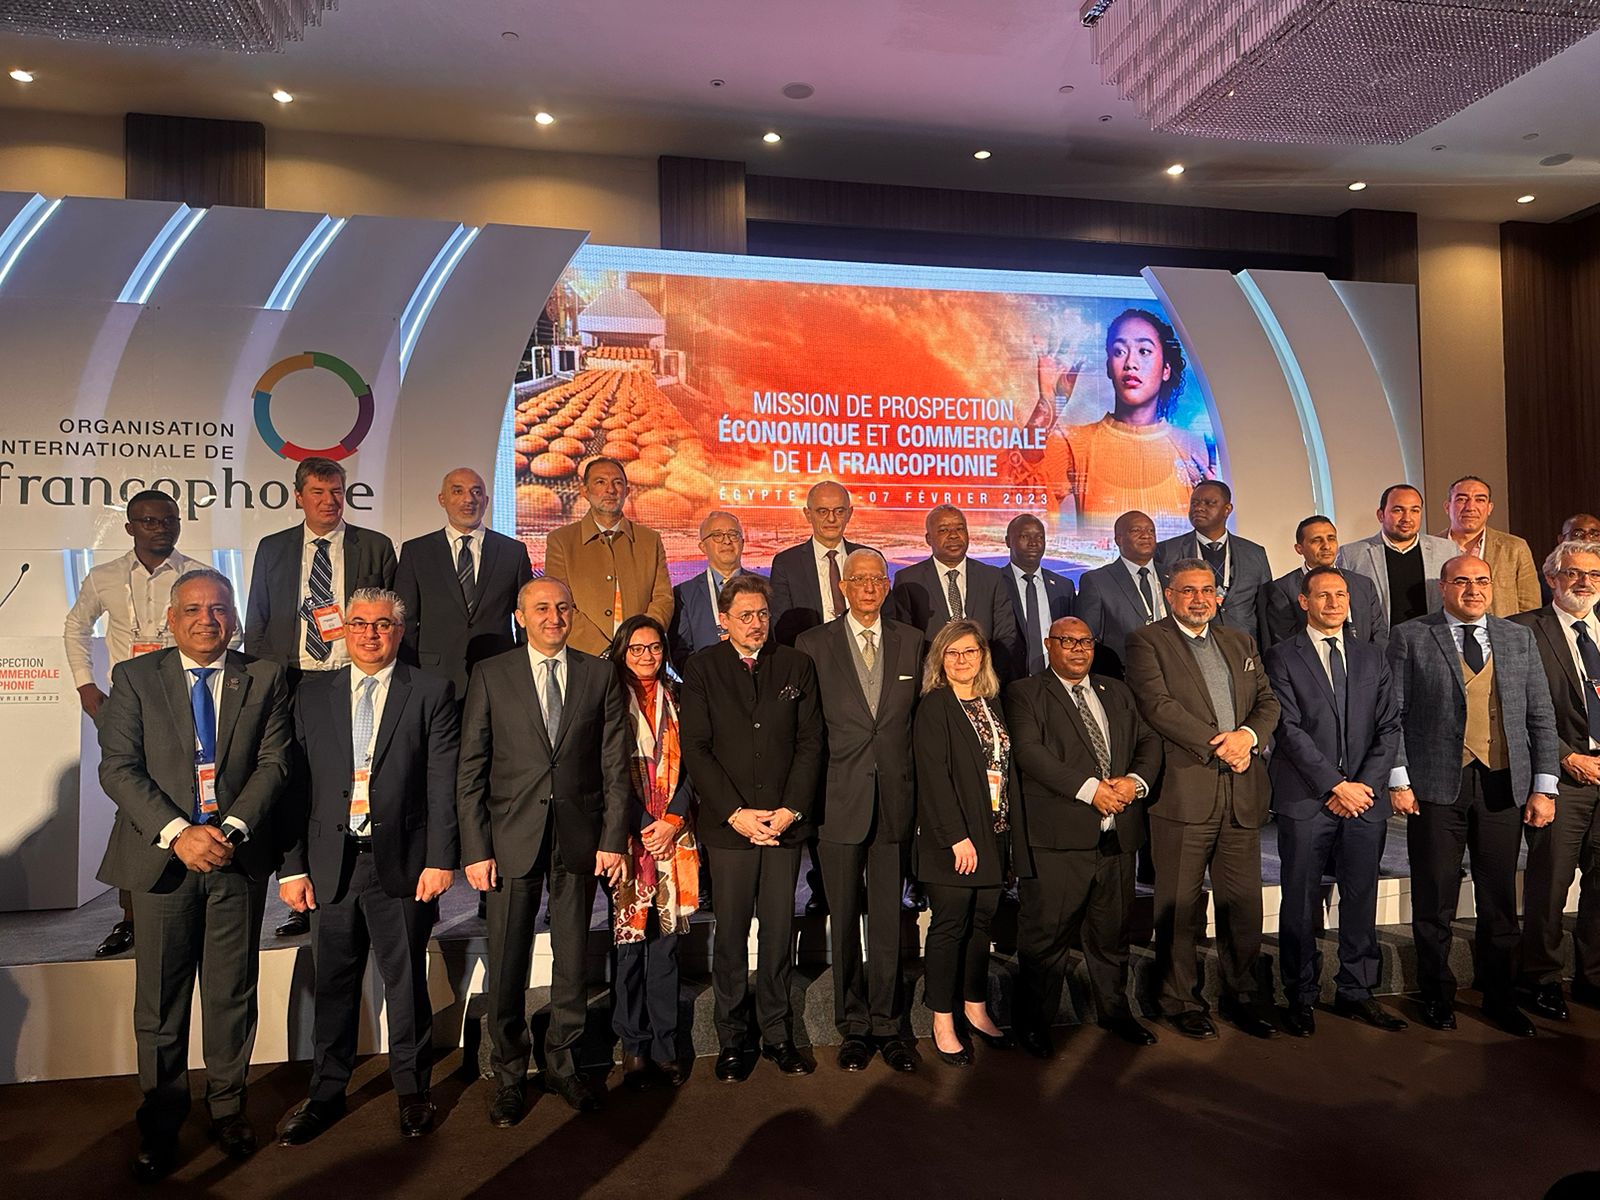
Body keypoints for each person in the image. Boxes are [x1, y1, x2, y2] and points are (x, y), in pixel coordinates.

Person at [96, 569, 292, 1182]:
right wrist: (180, 834)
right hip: (163, 862)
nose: (208, 620)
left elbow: (274, 762)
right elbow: (118, 768)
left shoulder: (263, 676)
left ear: (234, 617)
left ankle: (228, 1110)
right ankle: (160, 1122)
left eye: (219, 609)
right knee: (161, 1001)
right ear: (171, 619)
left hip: (234, 857)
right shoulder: (134, 677)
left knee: (232, 994)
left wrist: (227, 831)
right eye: (194, 610)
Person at [275, 588, 458, 1144]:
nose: (370, 634)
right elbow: (293, 787)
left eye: (382, 624)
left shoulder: (430, 691)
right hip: (330, 865)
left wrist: (440, 859)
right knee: (332, 982)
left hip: (401, 864)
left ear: (399, 632)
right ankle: (325, 1093)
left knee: (406, 984)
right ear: (344, 629)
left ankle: (412, 1091)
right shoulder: (310, 694)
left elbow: (442, 784)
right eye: (359, 623)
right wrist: (292, 867)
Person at [456, 578, 632, 1124]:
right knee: (508, 961)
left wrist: (612, 838)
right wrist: (476, 848)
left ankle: (563, 1063)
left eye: (562, 607)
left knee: (573, 960)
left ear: (573, 612)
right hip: (510, 841)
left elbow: (615, 765)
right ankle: (509, 1073)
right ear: (520, 615)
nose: (553, 617)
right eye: (541, 608)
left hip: (579, 840)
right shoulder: (492, 674)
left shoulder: (599, 673)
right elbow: (471, 768)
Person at [1387, 555, 1558, 1036]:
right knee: (1435, 896)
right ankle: (1436, 995)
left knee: (1499, 900)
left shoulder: (1517, 638)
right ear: (1442, 587)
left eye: (1481, 580)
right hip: (1436, 786)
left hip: (1503, 784)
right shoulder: (1411, 636)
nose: (1473, 589)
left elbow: (1540, 716)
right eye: (1461, 581)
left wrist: (1544, 787)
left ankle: (1500, 997)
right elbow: (1393, 714)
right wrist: (1398, 779)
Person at [1125, 558, 1280, 1039]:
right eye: (1188, 590)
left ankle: (1243, 997)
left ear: (1218, 596)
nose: (1199, 599)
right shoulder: (1147, 641)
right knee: (1179, 906)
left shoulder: (1240, 641)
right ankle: (1180, 1000)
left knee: (1243, 906)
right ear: (1169, 595)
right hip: (1184, 794)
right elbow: (1158, 707)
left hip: (1241, 792)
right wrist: (1221, 745)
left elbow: (1268, 702)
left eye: (1207, 590)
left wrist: (1248, 737)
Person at [244, 455, 397, 937]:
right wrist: (261, 683)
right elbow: (257, 619)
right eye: (318, 492)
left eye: (337, 492)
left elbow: (393, 619)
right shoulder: (273, 548)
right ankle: (300, 889)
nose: (329, 501)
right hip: (293, 679)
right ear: (298, 497)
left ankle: (357, 887)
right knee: (298, 783)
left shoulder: (374, 545)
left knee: (350, 780)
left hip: (352, 679)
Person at [680, 574, 824, 1081]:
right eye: (745, 616)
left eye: (762, 614)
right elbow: (696, 749)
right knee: (732, 935)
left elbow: (811, 743)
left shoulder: (796, 665)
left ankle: (778, 1035)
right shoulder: (702, 668)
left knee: (780, 932)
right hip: (730, 829)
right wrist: (735, 813)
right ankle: (732, 1039)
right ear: (723, 620)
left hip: (784, 825)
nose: (756, 623)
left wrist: (791, 809)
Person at [64, 488, 208, 959]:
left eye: (169, 520)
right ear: (129, 528)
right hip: (126, 704)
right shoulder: (105, 576)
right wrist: (85, 684)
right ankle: (130, 916)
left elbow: (227, 631)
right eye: (149, 521)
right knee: (131, 805)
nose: (161, 528)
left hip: (184, 702)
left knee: (184, 795)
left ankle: (188, 900)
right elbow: (76, 626)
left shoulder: (198, 576)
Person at [1006, 617, 1161, 1055]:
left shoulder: (1117, 692)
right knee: (1046, 940)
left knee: (1111, 936)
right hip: (1057, 841)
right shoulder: (1024, 693)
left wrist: (1134, 782)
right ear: (1048, 644)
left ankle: (1116, 1013)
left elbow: (1149, 741)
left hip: (1116, 837)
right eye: (1067, 641)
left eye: (1085, 642)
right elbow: (1030, 753)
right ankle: (1034, 1024)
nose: (1078, 649)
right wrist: (1091, 790)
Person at [1263, 567, 1406, 1037]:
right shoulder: (1281, 656)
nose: (1334, 603)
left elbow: (1389, 726)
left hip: (1364, 800)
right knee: (1300, 900)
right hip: (1308, 799)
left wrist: (1362, 785)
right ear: (1304, 602)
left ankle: (1357, 991)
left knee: (1361, 898)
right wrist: (1334, 785)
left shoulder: (1372, 656)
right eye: (1323, 595)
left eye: (1341, 595)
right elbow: (1287, 730)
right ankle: (1300, 995)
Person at [795, 549, 921, 1073]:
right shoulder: (812, 644)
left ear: (887, 586)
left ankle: (888, 1024)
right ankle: (853, 1026)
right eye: (858, 579)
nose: (868, 587)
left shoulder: (913, 642)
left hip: (894, 800)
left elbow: (918, 726)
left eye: (877, 579)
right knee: (843, 917)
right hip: (837, 801)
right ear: (842, 587)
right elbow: (805, 731)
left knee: (889, 920)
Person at [913, 620, 1032, 1067]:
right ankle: (942, 1020)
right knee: (950, 926)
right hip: (953, 840)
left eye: (970, 651)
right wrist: (956, 837)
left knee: (981, 924)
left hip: (993, 834)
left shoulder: (992, 703)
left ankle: (975, 1007)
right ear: (940, 660)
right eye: (953, 652)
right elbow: (933, 778)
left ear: (983, 655)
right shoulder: (934, 706)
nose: (962, 660)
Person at [605, 615, 700, 1090]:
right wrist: (644, 825)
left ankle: (665, 1045)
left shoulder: (679, 698)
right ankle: (633, 1045)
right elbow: (605, 772)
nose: (647, 656)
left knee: (665, 948)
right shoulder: (607, 701)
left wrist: (673, 819)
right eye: (637, 648)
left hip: (674, 838)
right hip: (627, 839)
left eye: (655, 648)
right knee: (629, 947)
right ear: (622, 652)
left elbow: (697, 763)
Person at [1510, 540, 1600, 1019]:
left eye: (1594, 574)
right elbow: (1517, 710)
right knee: (1550, 885)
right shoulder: (1523, 630)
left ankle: (1593, 978)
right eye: (1573, 573)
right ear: (1551, 578)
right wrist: (1566, 757)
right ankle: (1540, 980)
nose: (1584, 582)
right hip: (1560, 776)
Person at [1039, 307, 1213, 526]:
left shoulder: (1194, 447)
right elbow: (1022, 509)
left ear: (1166, 370)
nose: (1130, 363)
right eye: (1119, 352)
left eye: (1144, 351)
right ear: (1108, 367)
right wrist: (1047, 407)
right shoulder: (1073, 442)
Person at [394, 467, 533, 699]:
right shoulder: (416, 552)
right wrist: (408, 672)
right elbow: (405, 620)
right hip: (433, 674)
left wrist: (524, 667)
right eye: (458, 491)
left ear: (486, 501)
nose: (469, 499)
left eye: (476, 492)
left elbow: (525, 618)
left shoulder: (513, 552)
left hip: (499, 672)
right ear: (442, 499)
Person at [543, 455, 673, 656]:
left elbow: (663, 599)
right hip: (583, 657)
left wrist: (639, 645)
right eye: (600, 482)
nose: (610, 490)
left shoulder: (649, 540)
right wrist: (601, 650)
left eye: (617, 483)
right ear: (584, 491)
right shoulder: (561, 540)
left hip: (639, 658)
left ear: (627, 491)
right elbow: (559, 604)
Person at [889, 504, 1022, 681]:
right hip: (932, 683)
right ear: (929, 539)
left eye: (960, 528)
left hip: (985, 681)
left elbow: (1005, 634)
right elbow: (906, 639)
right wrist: (933, 678)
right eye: (944, 530)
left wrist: (985, 676)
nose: (953, 535)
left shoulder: (991, 576)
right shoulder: (908, 580)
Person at [1154, 480, 1272, 643]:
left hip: (1244, 643)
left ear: (1227, 509)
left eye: (1209, 503)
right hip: (1188, 643)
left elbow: (1266, 608)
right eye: (1194, 503)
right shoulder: (1166, 551)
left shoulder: (1254, 553)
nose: (1199, 508)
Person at [1260, 515, 1388, 650]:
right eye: (1316, 540)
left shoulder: (1363, 584)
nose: (1326, 546)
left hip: (1365, 660)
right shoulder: (1282, 589)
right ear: (1299, 548)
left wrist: (1369, 660)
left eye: (1331, 538)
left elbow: (1379, 634)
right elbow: (1286, 642)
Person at [1336, 484, 1454, 628]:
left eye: (1414, 510)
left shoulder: (1447, 550)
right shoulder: (1352, 555)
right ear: (1381, 515)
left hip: (1433, 637)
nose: (1407, 518)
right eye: (1398, 510)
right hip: (1379, 640)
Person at [769, 480, 868, 647]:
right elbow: (781, 627)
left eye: (839, 511)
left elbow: (886, 616)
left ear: (849, 514)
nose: (831, 519)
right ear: (808, 514)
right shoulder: (786, 564)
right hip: (809, 654)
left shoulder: (867, 558)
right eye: (822, 511)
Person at [1436, 475, 1540, 617]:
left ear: (1489, 508)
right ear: (1447, 507)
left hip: (1503, 629)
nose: (1470, 507)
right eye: (1462, 499)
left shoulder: (1514, 548)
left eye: (1480, 500)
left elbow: (1530, 608)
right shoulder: (1431, 548)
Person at [1076, 509, 1166, 672]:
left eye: (1151, 531)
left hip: (1172, 668)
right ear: (1118, 539)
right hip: (1123, 673)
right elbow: (1087, 637)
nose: (1146, 535)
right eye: (1136, 530)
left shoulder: (1172, 576)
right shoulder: (1097, 581)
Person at [669, 510, 755, 662]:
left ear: (743, 543)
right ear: (703, 546)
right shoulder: (684, 594)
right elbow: (681, 653)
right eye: (717, 535)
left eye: (733, 534)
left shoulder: (765, 586)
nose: (727, 541)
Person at [1001, 513, 1076, 679]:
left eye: (1040, 537)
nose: (1033, 543)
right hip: (1008, 678)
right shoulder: (994, 583)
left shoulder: (1064, 586)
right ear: (1008, 541)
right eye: (1025, 536)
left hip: (1056, 678)